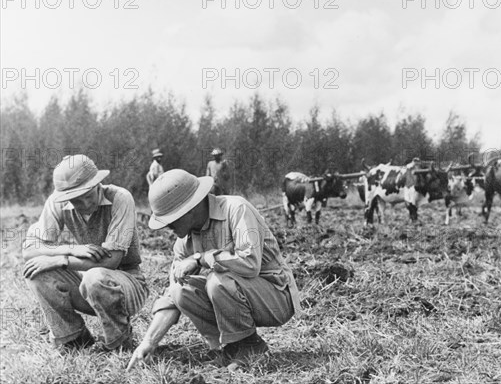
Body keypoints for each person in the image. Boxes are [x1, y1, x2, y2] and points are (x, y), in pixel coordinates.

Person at [127, 169, 300, 371]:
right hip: (237, 295)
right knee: (180, 289)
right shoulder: (184, 241)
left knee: (217, 279)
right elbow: (172, 295)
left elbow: (250, 264)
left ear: (190, 209)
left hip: (276, 299)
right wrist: (149, 342)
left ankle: (251, 346)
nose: (168, 227)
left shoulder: (236, 209)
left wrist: (202, 258)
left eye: (171, 220)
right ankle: (230, 347)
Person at [22, 154, 149, 351]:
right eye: (76, 200)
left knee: (95, 276)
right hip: (87, 286)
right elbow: (29, 250)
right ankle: (74, 338)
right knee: (36, 271)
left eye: (88, 196)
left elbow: (111, 261)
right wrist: (70, 249)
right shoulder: (58, 201)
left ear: (98, 183)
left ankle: (120, 342)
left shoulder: (120, 198)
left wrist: (61, 261)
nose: (85, 205)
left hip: (126, 285)